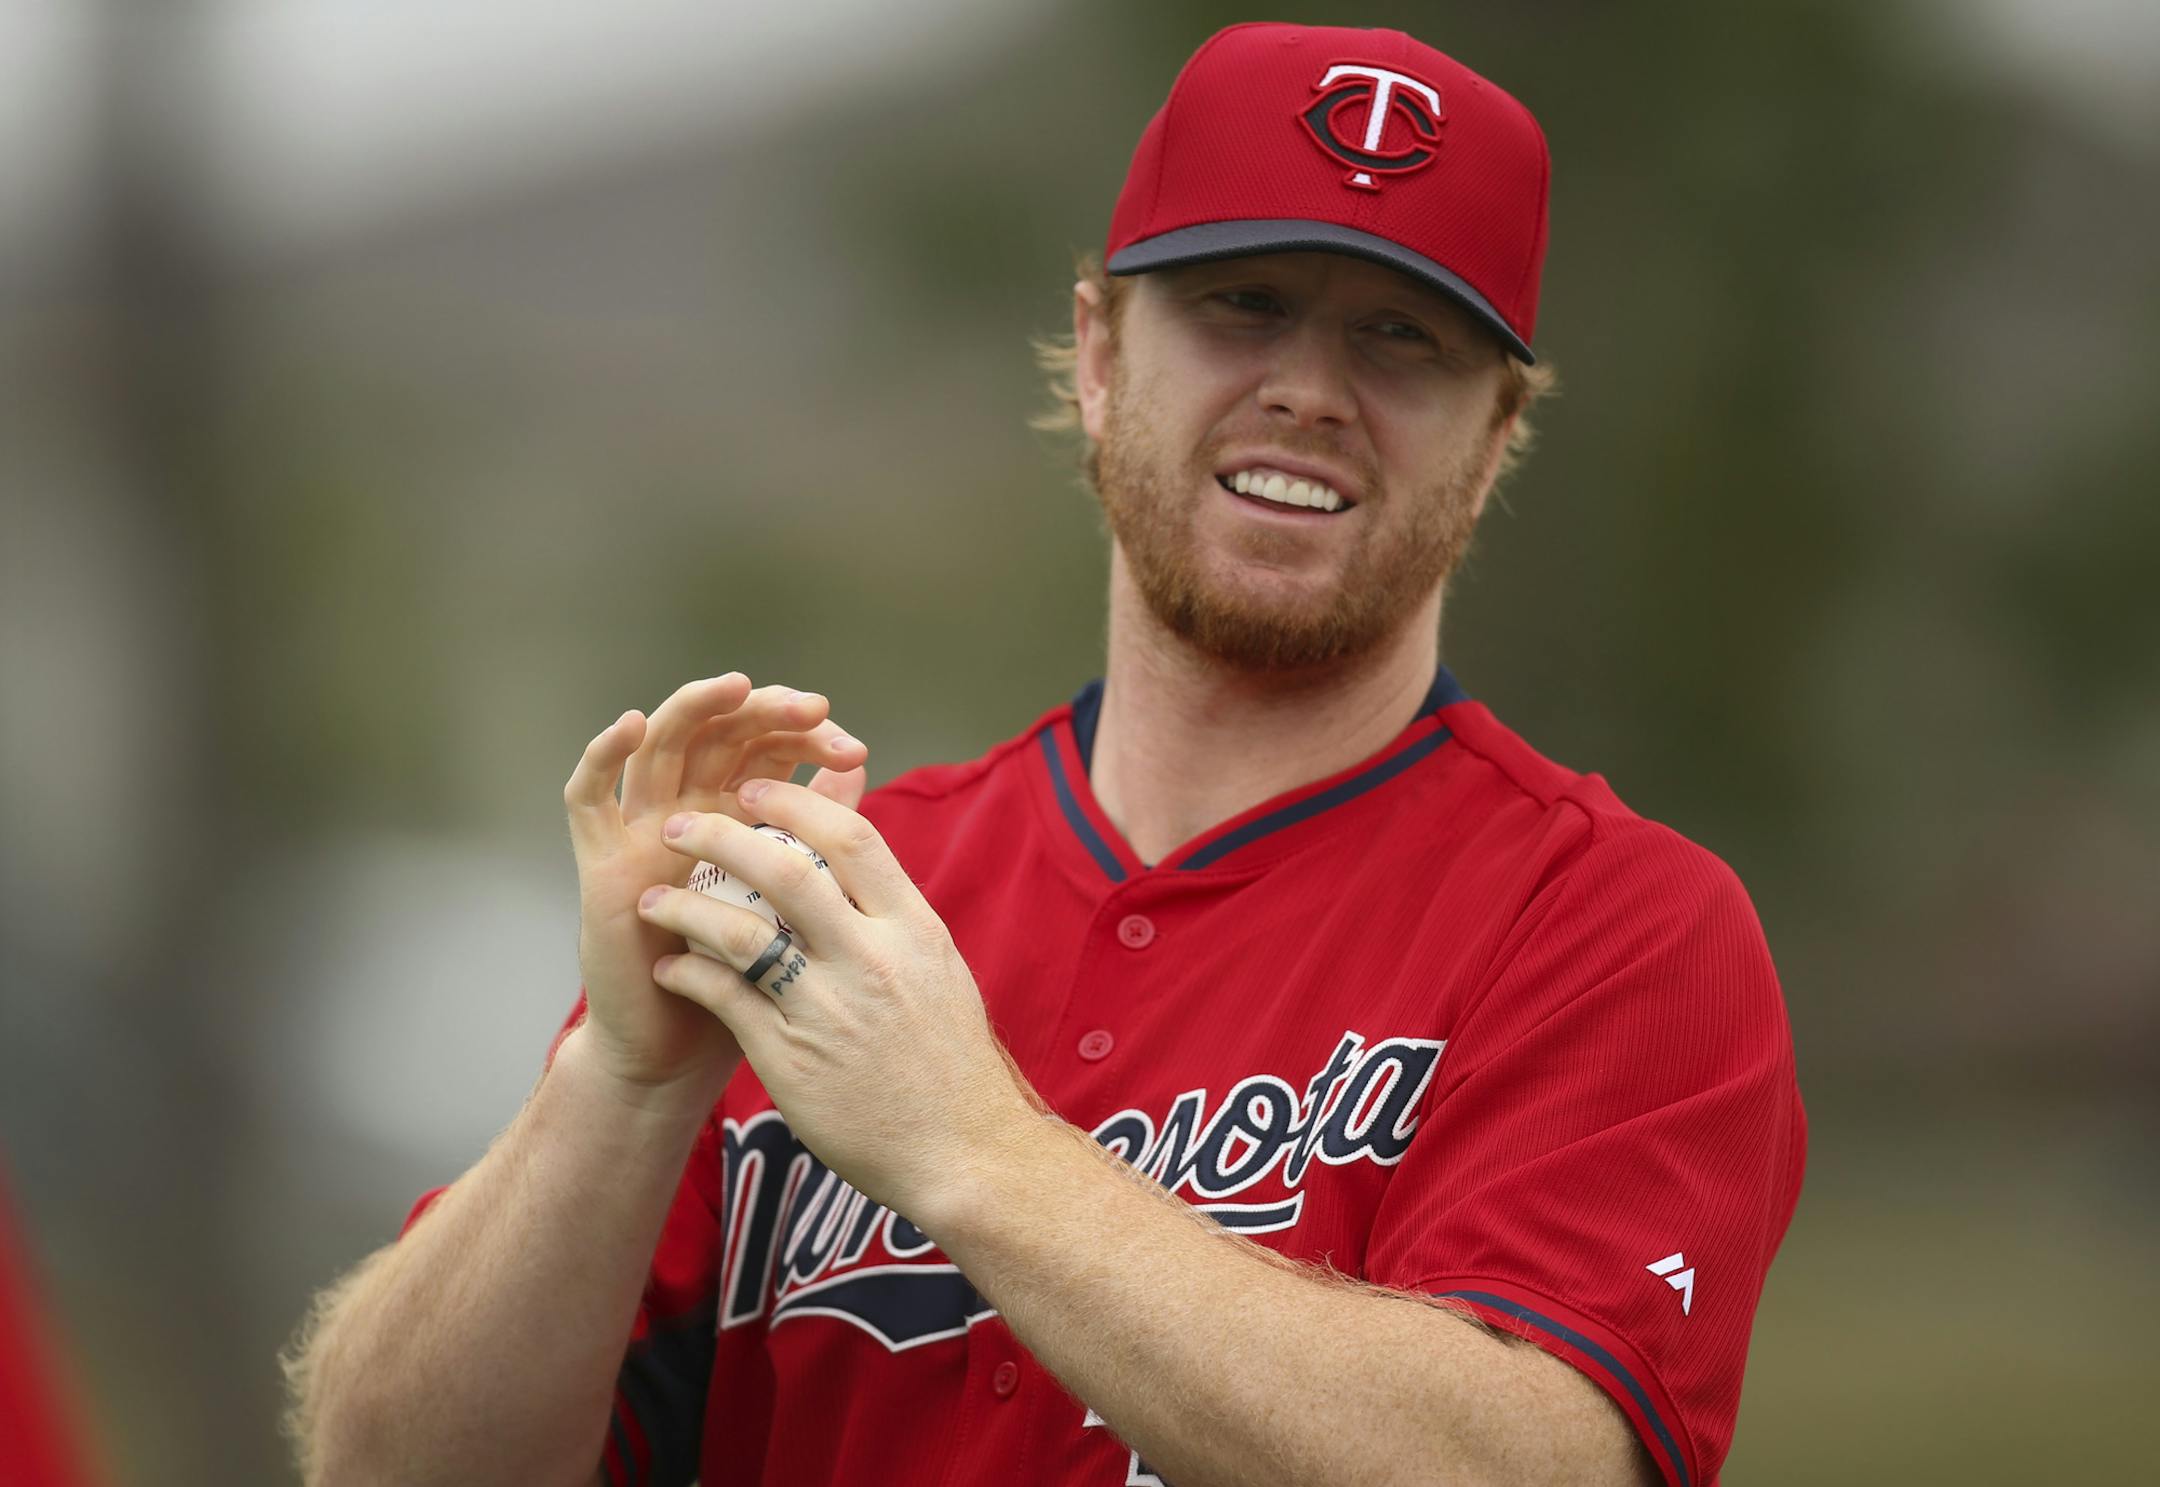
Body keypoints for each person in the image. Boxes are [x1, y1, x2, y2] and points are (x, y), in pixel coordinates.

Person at [285, 22, 1804, 1487]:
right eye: (1243, 304)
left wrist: (972, 1148)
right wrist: (614, 1087)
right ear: (1095, 351)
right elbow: (383, 1468)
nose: (1311, 390)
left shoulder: (1620, 930)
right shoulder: (834, 901)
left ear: (1492, 440)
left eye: (1402, 338)